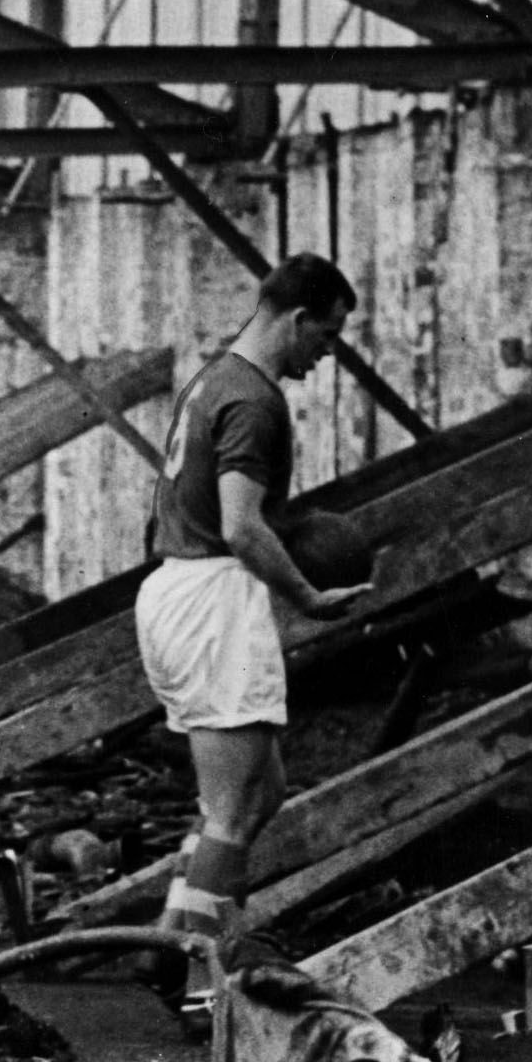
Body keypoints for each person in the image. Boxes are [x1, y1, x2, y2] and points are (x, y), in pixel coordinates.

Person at [134, 253, 372, 993]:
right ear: (297, 319)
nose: (324, 355)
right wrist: (305, 594)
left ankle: (170, 939)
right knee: (231, 809)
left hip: (182, 587)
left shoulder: (213, 376)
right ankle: (203, 989)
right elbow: (241, 525)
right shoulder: (254, 399)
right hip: (212, 596)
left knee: (262, 789)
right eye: (325, 338)